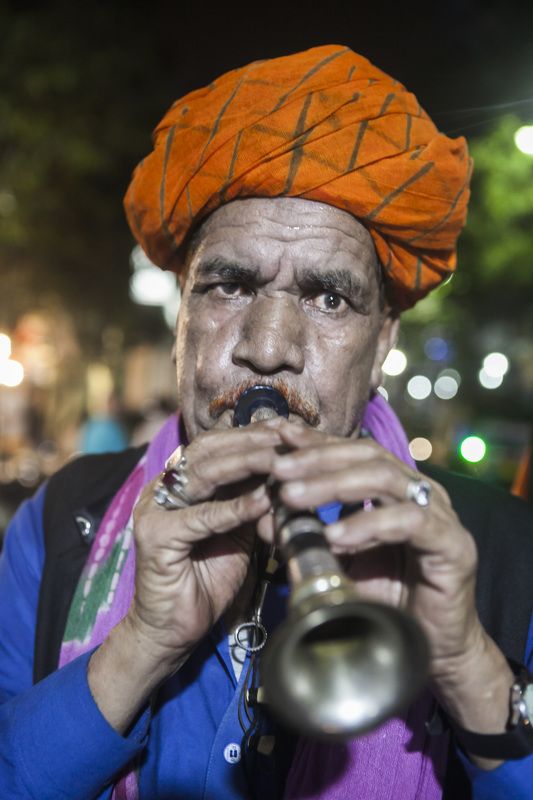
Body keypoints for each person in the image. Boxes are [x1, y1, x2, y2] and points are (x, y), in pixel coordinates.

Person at [1, 45, 532, 800]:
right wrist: (142, 646)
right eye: (228, 286)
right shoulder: (57, 522)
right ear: (180, 312)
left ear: (381, 341)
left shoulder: (506, 552)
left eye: (328, 299)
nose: (268, 349)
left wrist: (467, 667)